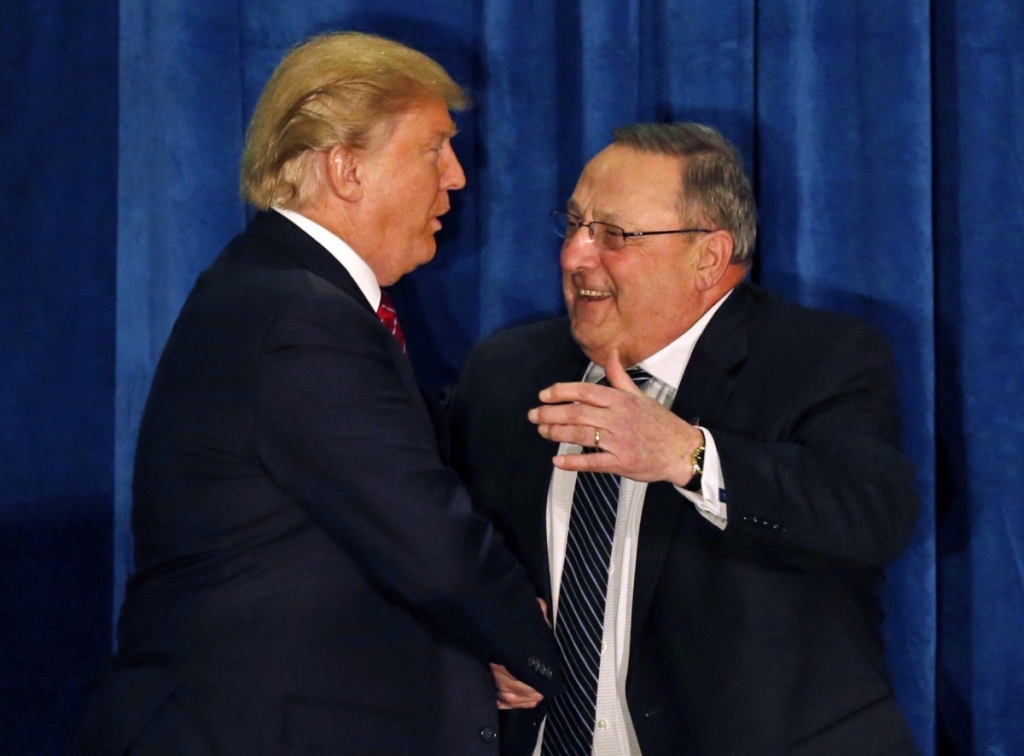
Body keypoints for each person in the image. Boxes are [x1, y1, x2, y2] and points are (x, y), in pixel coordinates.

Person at [76, 32, 560, 756]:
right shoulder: (302, 318)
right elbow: (430, 542)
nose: (456, 177)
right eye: (434, 148)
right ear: (346, 168)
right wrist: (540, 651)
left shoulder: (271, 289)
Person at [450, 122, 920, 756]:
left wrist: (688, 455)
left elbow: (872, 515)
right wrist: (481, 641)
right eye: (574, 224)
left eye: (613, 234)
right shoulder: (506, 371)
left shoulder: (821, 357)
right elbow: (445, 546)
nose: (573, 256)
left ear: (708, 256)